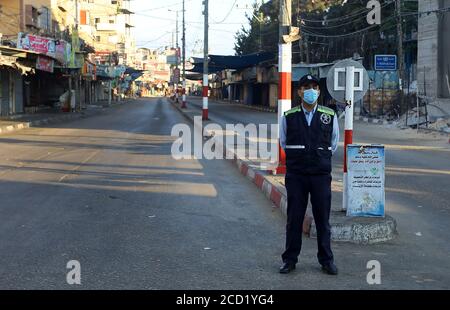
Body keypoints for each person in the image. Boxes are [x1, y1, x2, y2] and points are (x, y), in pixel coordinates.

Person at [279, 74, 339, 275]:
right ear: (299, 91)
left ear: (319, 91)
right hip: (296, 175)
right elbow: (283, 141)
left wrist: (319, 158)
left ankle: (326, 260)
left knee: (323, 219)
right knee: (294, 219)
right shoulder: (288, 116)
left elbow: (334, 143)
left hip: (320, 175)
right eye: (306, 87)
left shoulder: (329, 115)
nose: (310, 90)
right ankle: (289, 260)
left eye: (314, 87)